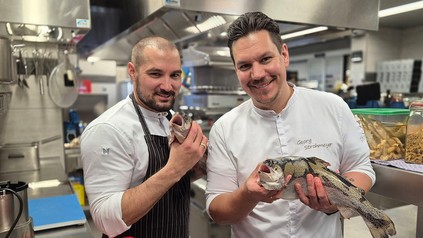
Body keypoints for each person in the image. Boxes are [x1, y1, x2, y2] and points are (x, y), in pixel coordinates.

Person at [205, 12, 376, 238]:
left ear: (284, 54)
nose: (257, 74)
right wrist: (248, 195)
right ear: (236, 69)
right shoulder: (224, 129)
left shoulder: (333, 107)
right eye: (245, 66)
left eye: (265, 59)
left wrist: (334, 202)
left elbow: (362, 168)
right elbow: (218, 211)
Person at [81, 36, 208, 238]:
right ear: (132, 71)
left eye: (175, 75)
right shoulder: (108, 129)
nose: (167, 86)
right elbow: (106, 220)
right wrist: (175, 168)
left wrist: (197, 163)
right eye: (156, 74)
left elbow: (176, 183)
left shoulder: (170, 119)